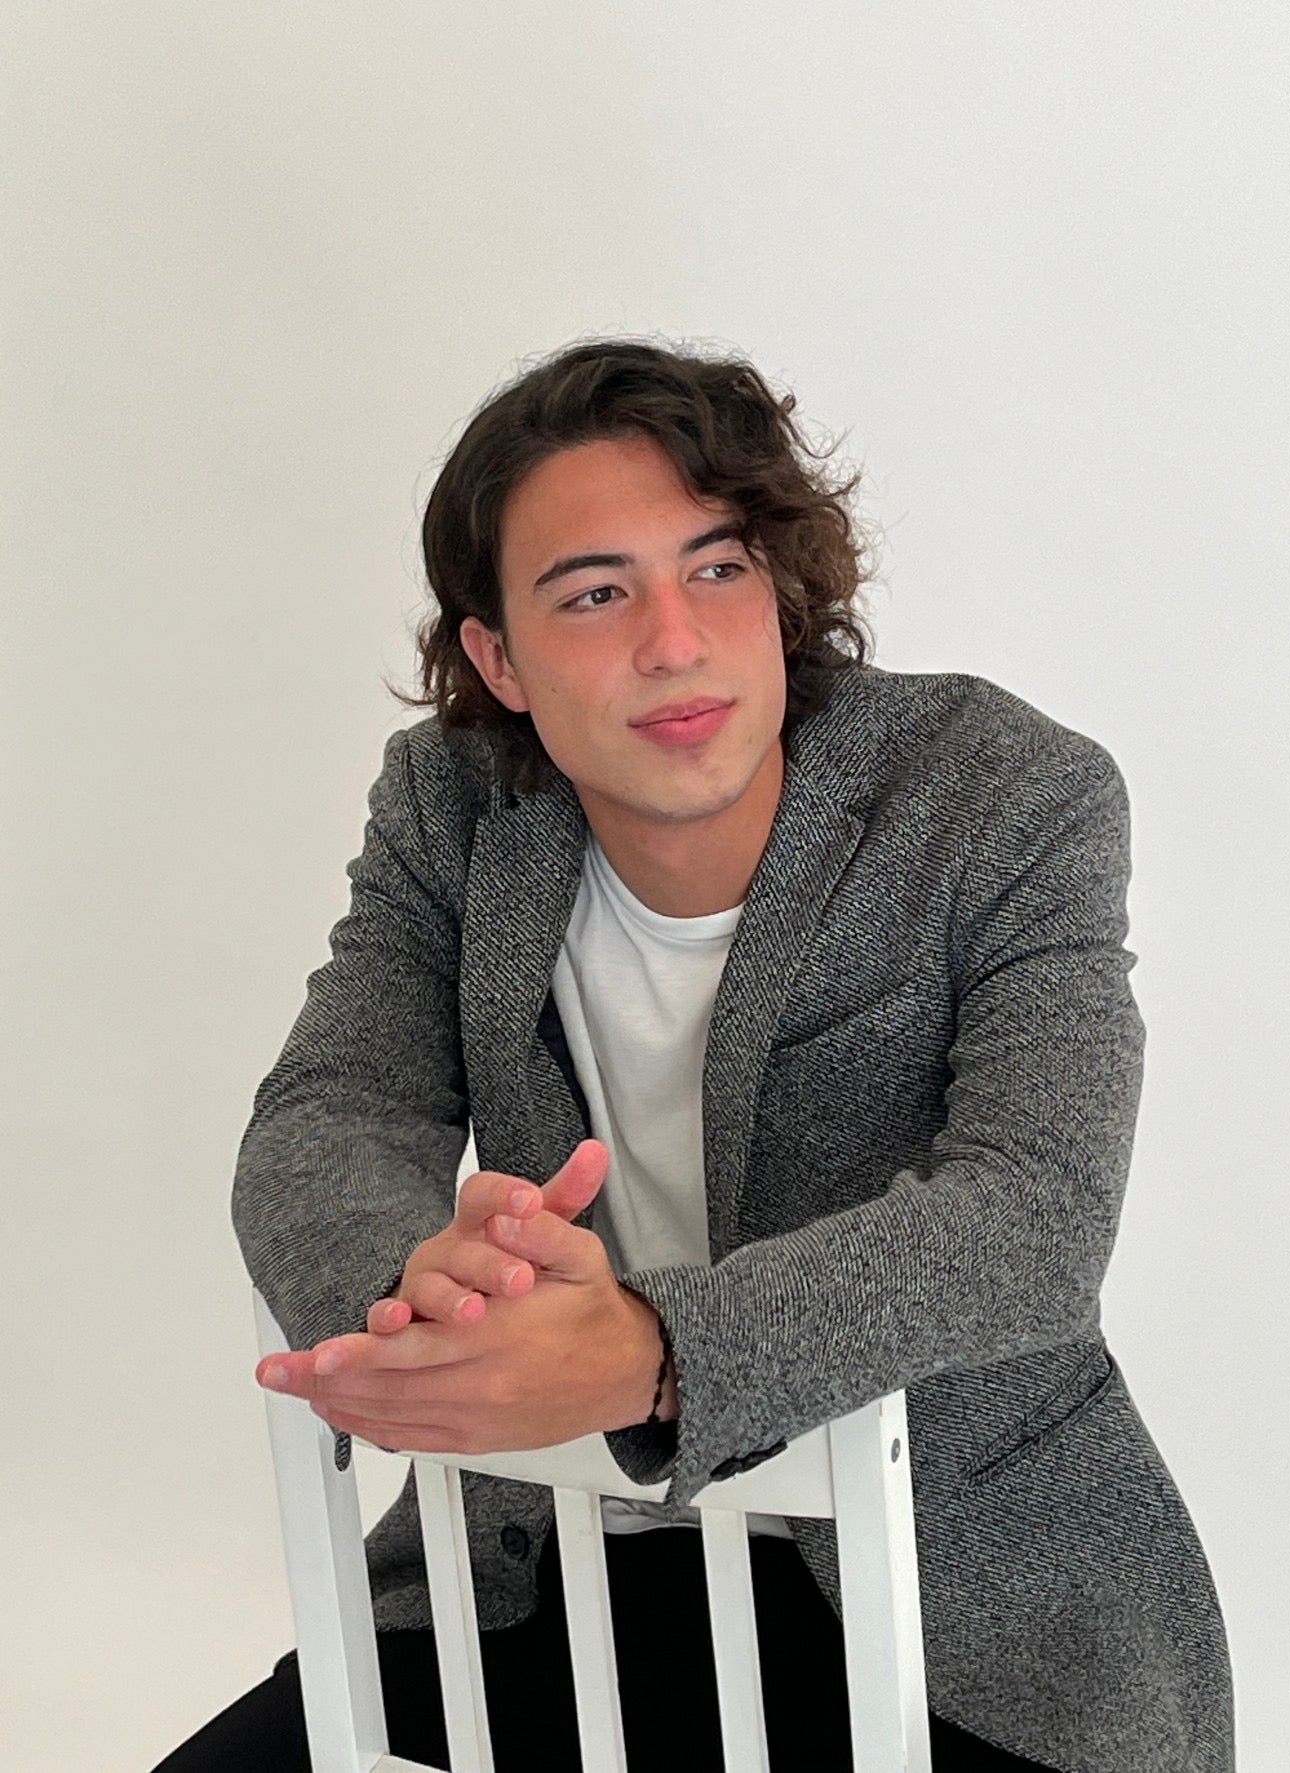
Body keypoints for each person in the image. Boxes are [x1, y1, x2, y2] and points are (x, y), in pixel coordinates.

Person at [152, 338, 1235, 1773]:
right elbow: (328, 1112)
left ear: (780, 592)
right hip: (557, 1565)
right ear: (496, 659)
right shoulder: (452, 806)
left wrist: (652, 1351)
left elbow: (1035, 1217)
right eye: (594, 594)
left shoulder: (1002, 792)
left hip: (962, 1604)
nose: (673, 641)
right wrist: (422, 1297)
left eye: (716, 569)